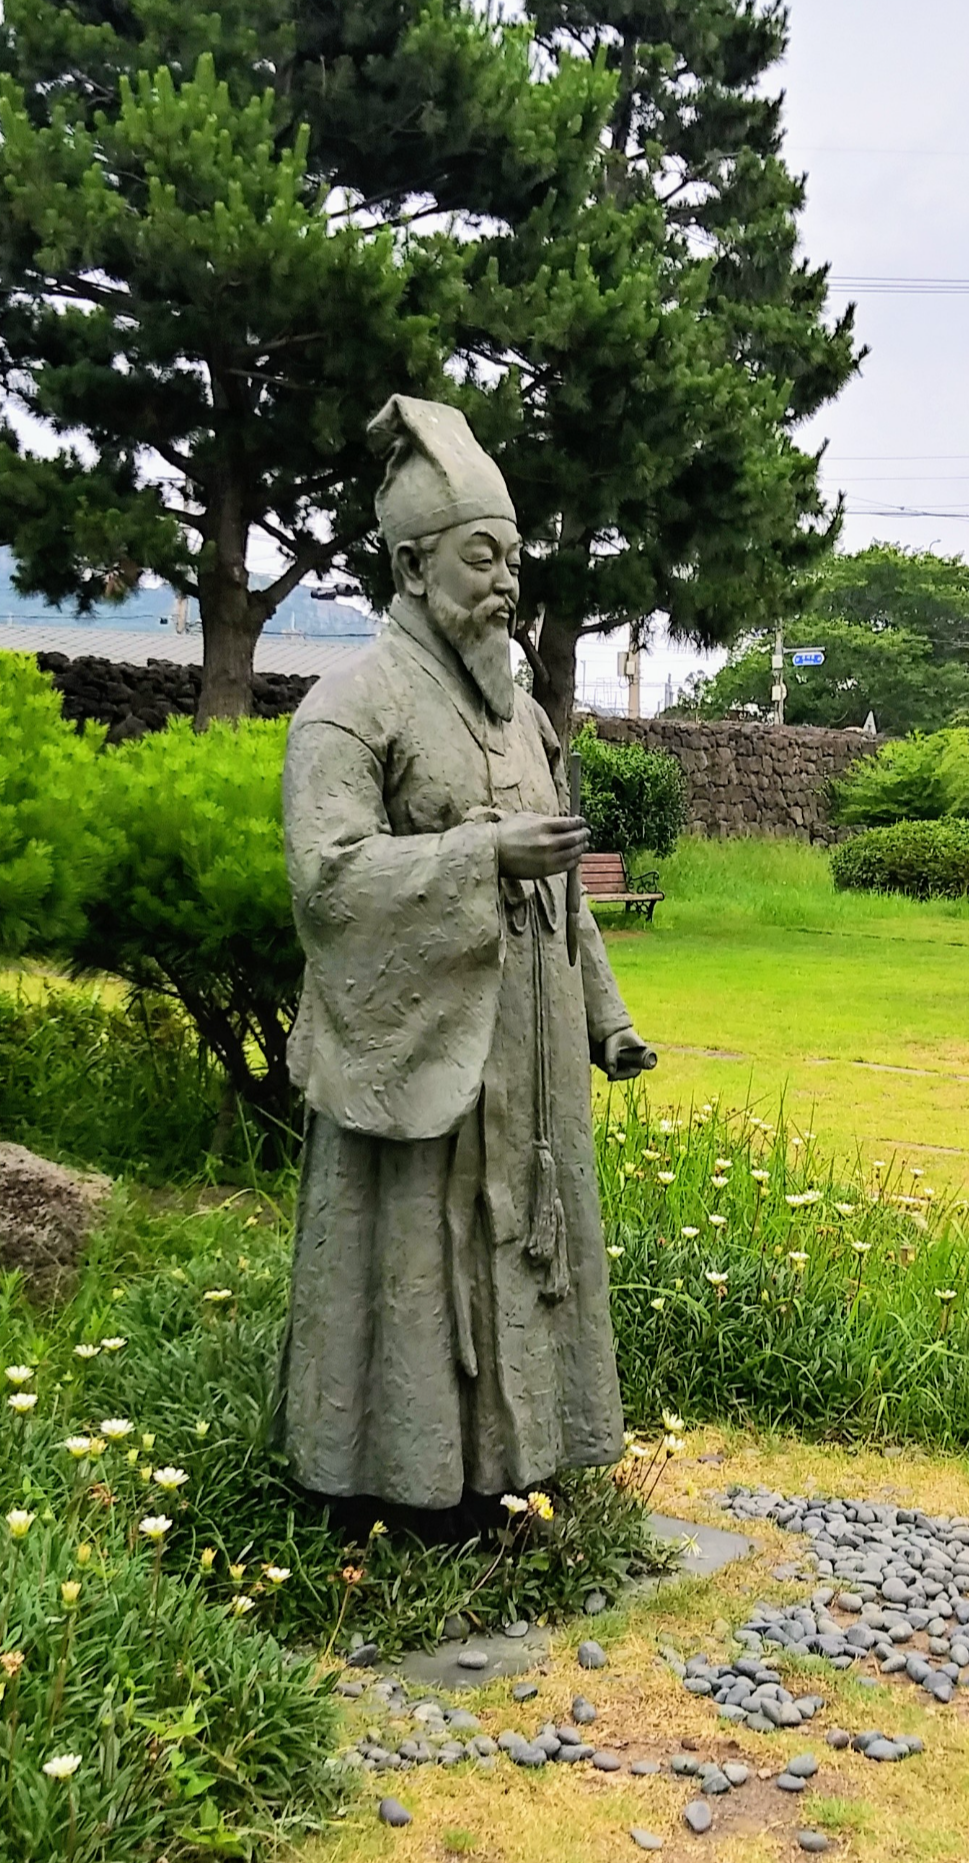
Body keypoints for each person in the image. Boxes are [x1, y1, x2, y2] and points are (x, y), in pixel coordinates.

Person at [276, 393, 656, 1512]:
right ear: (410, 565)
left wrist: (605, 1015)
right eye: (478, 558)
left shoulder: (521, 716)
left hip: (527, 1061)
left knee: (526, 1249)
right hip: (423, 1058)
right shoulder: (350, 708)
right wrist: (482, 851)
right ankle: (397, 1478)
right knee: (411, 1260)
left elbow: (560, 890)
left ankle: (515, 1465)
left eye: (512, 562)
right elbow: (327, 876)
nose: (505, 585)